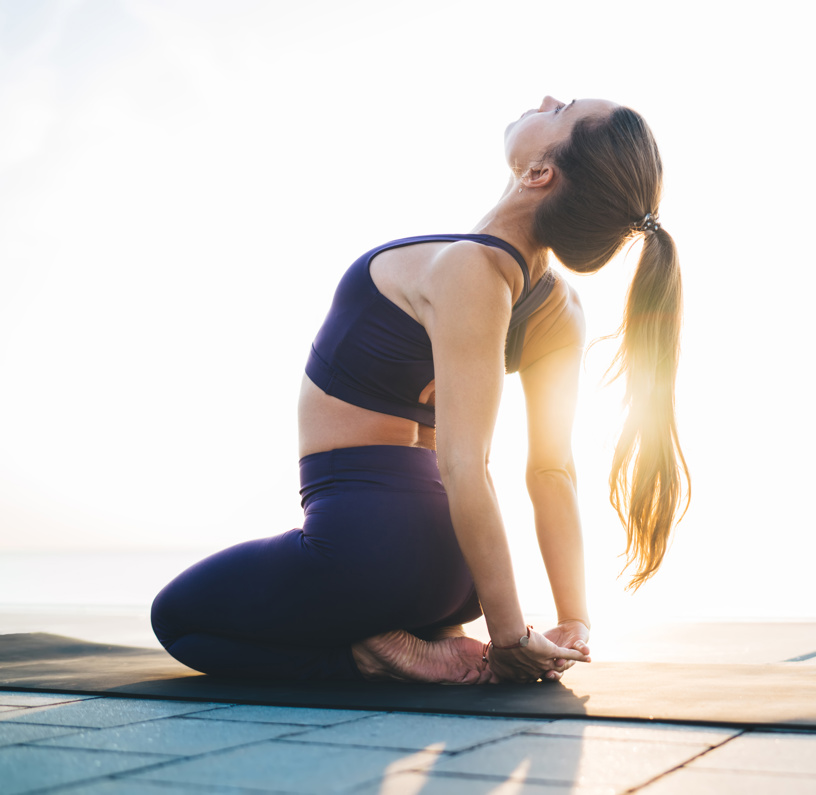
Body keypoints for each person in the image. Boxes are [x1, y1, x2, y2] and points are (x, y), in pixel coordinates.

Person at [150, 96, 689, 684]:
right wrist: (573, 618)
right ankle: (417, 634)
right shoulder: (561, 306)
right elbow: (553, 472)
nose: (547, 100)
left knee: (177, 619)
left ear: (539, 173)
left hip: (364, 545)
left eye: (562, 112)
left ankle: (368, 655)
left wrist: (510, 637)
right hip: (456, 580)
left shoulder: (468, 269)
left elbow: (465, 462)